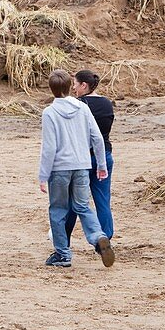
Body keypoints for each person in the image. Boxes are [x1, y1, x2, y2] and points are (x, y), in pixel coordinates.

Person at [38, 69, 115, 269]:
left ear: (52, 89)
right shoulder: (83, 108)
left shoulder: (49, 112)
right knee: (83, 206)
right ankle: (98, 236)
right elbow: (97, 138)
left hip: (60, 168)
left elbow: (49, 148)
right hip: (82, 165)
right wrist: (101, 164)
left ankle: (63, 254)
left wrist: (42, 175)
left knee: (58, 209)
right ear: (69, 87)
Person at [65, 69, 115, 242]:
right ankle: (105, 238)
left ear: (84, 85)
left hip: (83, 158)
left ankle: (64, 239)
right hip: (105, 156)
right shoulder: (107, 103)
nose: (73, 88)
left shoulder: (78, 105)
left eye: (75, 84)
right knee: (103, 200)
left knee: (73, 201)